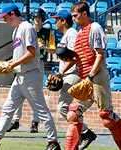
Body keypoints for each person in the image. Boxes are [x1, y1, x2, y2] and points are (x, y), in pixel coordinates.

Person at [0, 3, 61, 150]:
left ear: (13, 14)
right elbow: (20, 55)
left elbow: (31, 53)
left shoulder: (26, 27)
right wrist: (8, 63)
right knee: (8, 108)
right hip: (20, 76)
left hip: (30, 75)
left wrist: (12, 65)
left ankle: (53, 142)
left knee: (41, 110)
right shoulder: (16, 30)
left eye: (5, 17)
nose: (4, 20)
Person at [63, 1, 121, 150]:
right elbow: (77, 59)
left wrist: (90, 76)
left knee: (107, 118)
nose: (73, 18)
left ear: (85, 13)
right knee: (73, 113)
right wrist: (60, 72)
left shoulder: (95, 28)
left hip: (97, 76)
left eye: (76, 15)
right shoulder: (80, 33)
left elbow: (100, 55)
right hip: (86, 79)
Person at [51, 9, 96, 150]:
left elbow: (75, 57)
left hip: (73, 74)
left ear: (63, 21)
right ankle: (83, 133)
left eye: (56, 19)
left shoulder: (71, 34)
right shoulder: (66, 35)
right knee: (66, 108)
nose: (54, 22)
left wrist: (61, 72)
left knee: (63, 107)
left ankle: (86, 132)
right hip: (68, 74)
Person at [6, 8, 56, 133]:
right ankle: (16, 121)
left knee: (36, 95)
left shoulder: (46, 32)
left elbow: (53, 50)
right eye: (35, 17)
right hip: (21, 63)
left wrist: (43, 47)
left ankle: (35, 122)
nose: (37, 20)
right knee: (17, 94)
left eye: (39, 17)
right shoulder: (26, 29)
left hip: (37, 64)